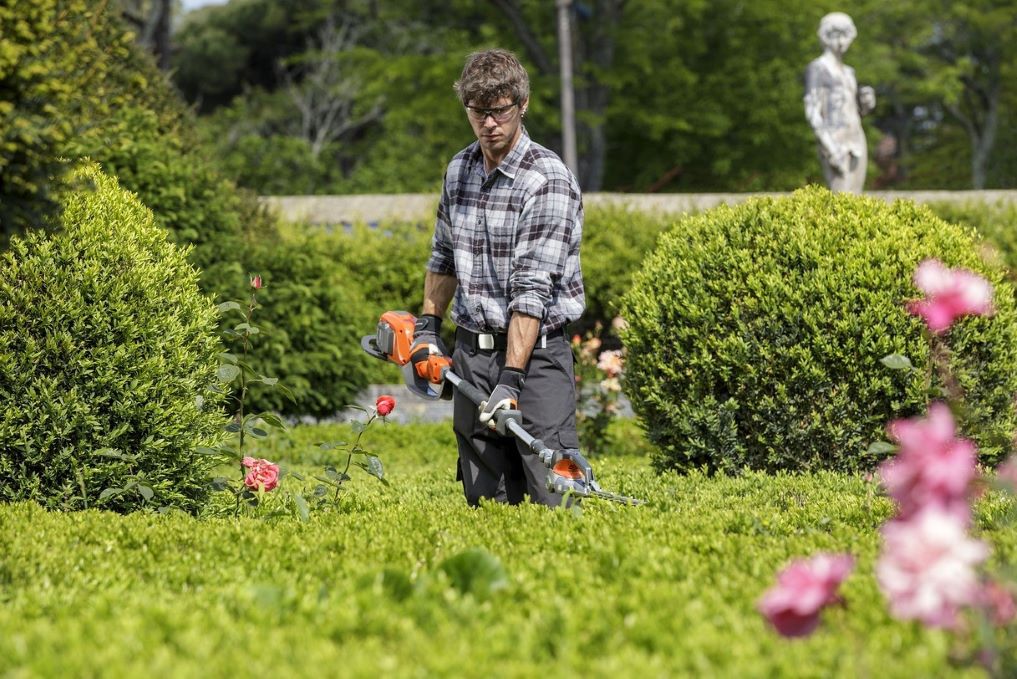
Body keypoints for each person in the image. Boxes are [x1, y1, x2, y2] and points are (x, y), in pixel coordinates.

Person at [413, 49, 585, 507]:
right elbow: (443, 257)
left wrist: (510, 380)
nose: (489, 122)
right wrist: (427, 330)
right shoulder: (459, 171)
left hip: (537, 363)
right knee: (485, 499)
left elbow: (532, 291)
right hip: (472, 356)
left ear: (522, 105)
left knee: (555, 496)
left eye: (500, 110)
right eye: (478, 111)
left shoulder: (546, 180)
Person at [804, 12, 876, 193]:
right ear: (825, 36)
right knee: (841, 196)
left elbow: (853, 111)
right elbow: (812, 111)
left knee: (856, 195)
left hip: (857, 137)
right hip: (835, 138)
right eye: (836, 35)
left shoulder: (848, 72)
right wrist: (830, 146)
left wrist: (866, 104)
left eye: (845, 35)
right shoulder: (818, 68)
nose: (841, 41)